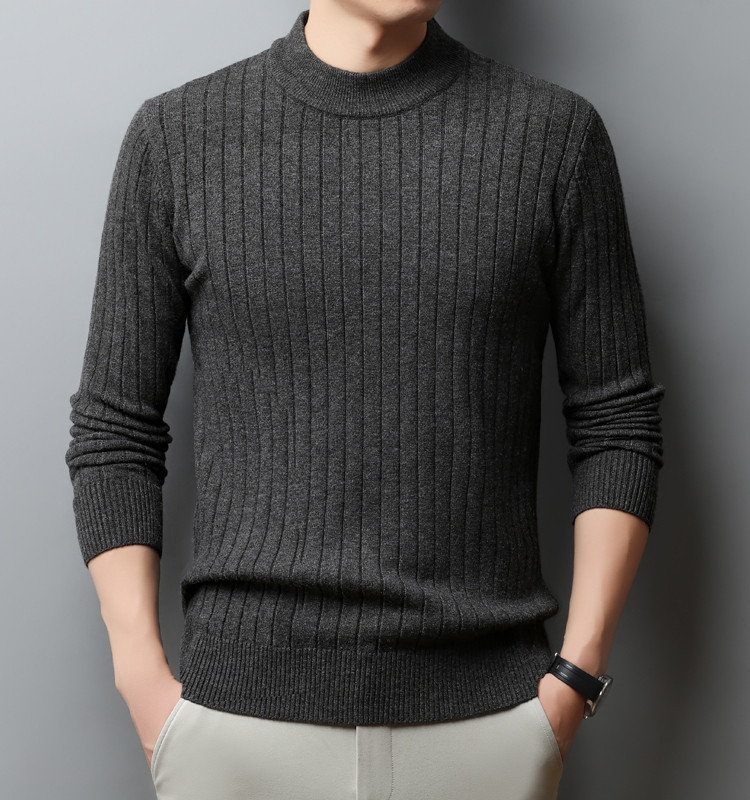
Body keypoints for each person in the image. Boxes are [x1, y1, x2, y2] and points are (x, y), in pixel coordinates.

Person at [64, 1, 665, 798]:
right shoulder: (176, 138)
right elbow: (115, 430)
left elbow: (617, 420)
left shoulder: (555, 137)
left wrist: (575, 679)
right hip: (235, 734)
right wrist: (144, 684)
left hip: (489, 729)